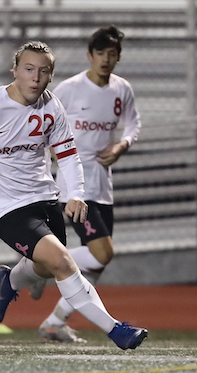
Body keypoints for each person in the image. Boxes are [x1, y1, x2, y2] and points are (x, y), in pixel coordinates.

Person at [0, 41, 148, 350]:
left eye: (43, 71)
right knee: (63, 262)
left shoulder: (52, 106)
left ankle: (9, 282)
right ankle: (116, 330)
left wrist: (77, 194)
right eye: (28, 69)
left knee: (45, 268)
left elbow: (68, 155)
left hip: (44, 199)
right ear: (15, 71)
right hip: (4, 209)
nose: (35, 78)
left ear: (51, 76)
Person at [35, 25, 141, 343]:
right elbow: (43, 120)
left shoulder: (122, 89)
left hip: (103, 185)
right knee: (103, 253)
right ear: (90, 56)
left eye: (112, 54)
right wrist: (52, 154)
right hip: (74, 187)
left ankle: (54, 322)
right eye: (101, 54)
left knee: (94, 266)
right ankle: (38, 264)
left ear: (118, 57)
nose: (106, 59)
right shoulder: (69, 89)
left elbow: (133, 124)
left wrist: (122, 146)